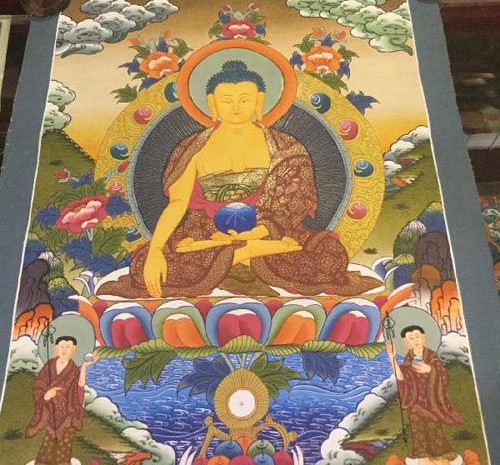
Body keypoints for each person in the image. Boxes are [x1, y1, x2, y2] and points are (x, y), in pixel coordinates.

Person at [100, 60, 380, 298]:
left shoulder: (285, 147)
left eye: (245, 99)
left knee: (330, 254)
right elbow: (177, 204)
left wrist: (254, 235)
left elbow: (290, 207)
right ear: (212, 103)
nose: (236, 107)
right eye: (227, 100)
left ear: (260, 100)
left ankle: (234, 256)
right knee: (144, 263)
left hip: (268, 232)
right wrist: (156, 249)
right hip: (206, 233)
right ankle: (244, 256)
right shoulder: (193, 149)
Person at [386, 325, 463, 464]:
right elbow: (400, 376)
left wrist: (430, 369)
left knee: (433, 429)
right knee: (418, 430)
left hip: (431, 402)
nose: (415, 340)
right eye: (411, 338)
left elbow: (443, 375)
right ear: (405, 341)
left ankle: (440, 456)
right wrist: (392, 357)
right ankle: (423, 458)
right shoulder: (408, 361)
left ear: (424, 337)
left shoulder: (432, 357)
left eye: (417, 336)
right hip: (415, 403)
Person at [25, 336, 95, 465]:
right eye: (62, 346)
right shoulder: (49, 366)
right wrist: (46, 394)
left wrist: (84, 367)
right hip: (50, 411)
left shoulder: (73, 369)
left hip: (68, 413)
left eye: (68, 347)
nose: (64, 350)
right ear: (56, 348)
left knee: (64, 446)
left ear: (74, 350)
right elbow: (39, 383)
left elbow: (79, 386)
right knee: (48, 443)